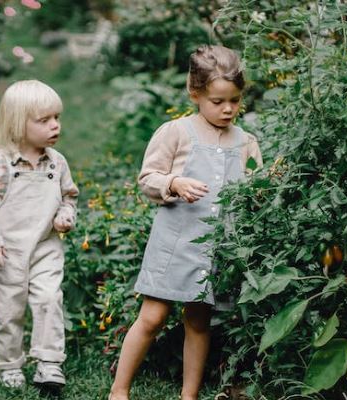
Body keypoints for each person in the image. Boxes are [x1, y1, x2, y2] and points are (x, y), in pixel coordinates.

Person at [109, 45, 263, 400]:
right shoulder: (176, 132)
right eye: (217, 101)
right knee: (152, 318)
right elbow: (148, 177)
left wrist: (266, 184)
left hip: (217, 249)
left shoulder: (246, 142)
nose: (227, 109)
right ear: (195, 94)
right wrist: (173, 183)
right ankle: (119, 391)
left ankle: (188, 395)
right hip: (175, 243)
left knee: (198, 321)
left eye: (235, 100)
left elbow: (255, 187)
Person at [0, 80, 79, 389]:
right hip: (7, 252)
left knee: (48, 299)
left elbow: (70, 196)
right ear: (18, 124)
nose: (55, 125)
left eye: (56, 117)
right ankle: (10, 363)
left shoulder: (57, 163)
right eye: (44, 120)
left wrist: (64, 215)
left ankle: (48, 362)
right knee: (8, 311)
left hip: (45, 245)